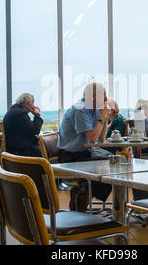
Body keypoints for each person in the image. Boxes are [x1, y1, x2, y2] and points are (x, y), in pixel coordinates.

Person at [57, 82, 112, 211]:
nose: (105, 98)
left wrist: (105, 118)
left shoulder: (93, 110)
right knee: (107, 167)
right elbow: (93, 138)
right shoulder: (80, 109)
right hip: (70, 156)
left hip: (83, 153)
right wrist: (102, 119)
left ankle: (83, 190)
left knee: (113, 163)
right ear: (93, 96)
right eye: (103, 95)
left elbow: (101, 138)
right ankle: (83, 192)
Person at [3, 93, 43, 157]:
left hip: (13, 146)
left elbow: (29, 128)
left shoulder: (15, 109)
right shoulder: (20, 113)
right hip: (18, 150)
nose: (34, 106)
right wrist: (37, 115)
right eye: (32, 103)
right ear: (27, 104)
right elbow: (35, 131)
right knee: (41, 150)